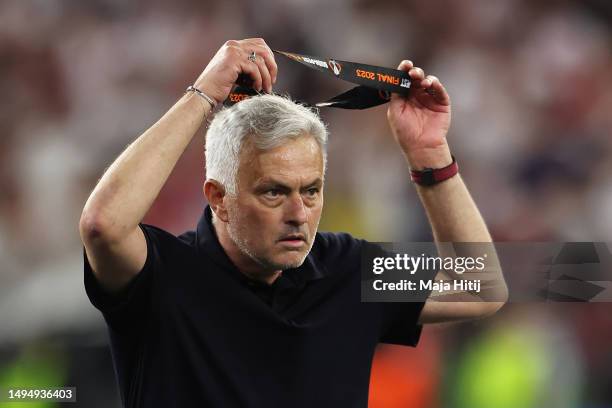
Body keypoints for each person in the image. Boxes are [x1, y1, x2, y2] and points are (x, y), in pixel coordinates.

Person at [79, 38, 507, 407]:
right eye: (273, 192)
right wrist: (204, 93)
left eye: (311, 191)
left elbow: (481, 288)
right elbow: (103, 224)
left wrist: (430, 156)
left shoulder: (346, 268)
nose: (299, 214)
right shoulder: (163, 276)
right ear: (218, 198)